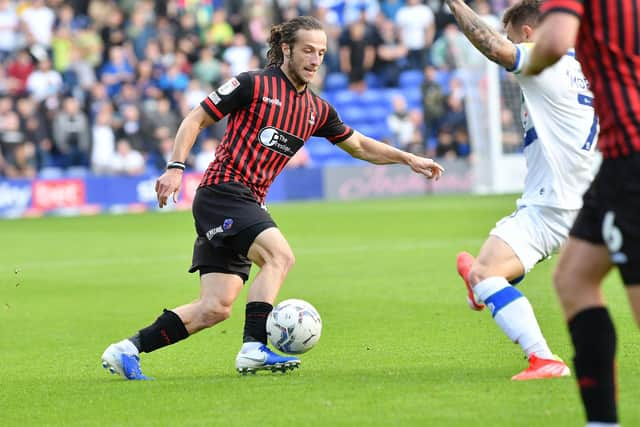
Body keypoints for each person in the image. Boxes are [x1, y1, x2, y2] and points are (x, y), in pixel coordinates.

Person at [101, 15, 444, 380]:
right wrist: (175, 166)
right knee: (280, 256)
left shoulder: (317, 110)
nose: (315, 59)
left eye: (322, 53)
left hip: (247, 201)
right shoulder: (252, 84)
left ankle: (126, 350)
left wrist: (407, 158)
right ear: (286, 49)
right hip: (223, 191)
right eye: (308, 50)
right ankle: (253, 347)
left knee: (214, 308)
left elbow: (358, 145)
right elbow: (195, 119)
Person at [445, 0, 599, 380]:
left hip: (552, 205)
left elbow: (494, 48)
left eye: (514, 37)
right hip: (593, 199)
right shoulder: (590, 67)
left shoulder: (543, 60)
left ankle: (543, 357)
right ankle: (486, 280)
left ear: (528, 35)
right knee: (485, 270)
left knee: (485, 276)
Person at [522, 0, 640, 425]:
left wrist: (528, 66)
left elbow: (554, 41)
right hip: (616, 161)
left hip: (633, 154)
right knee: (574, 278)